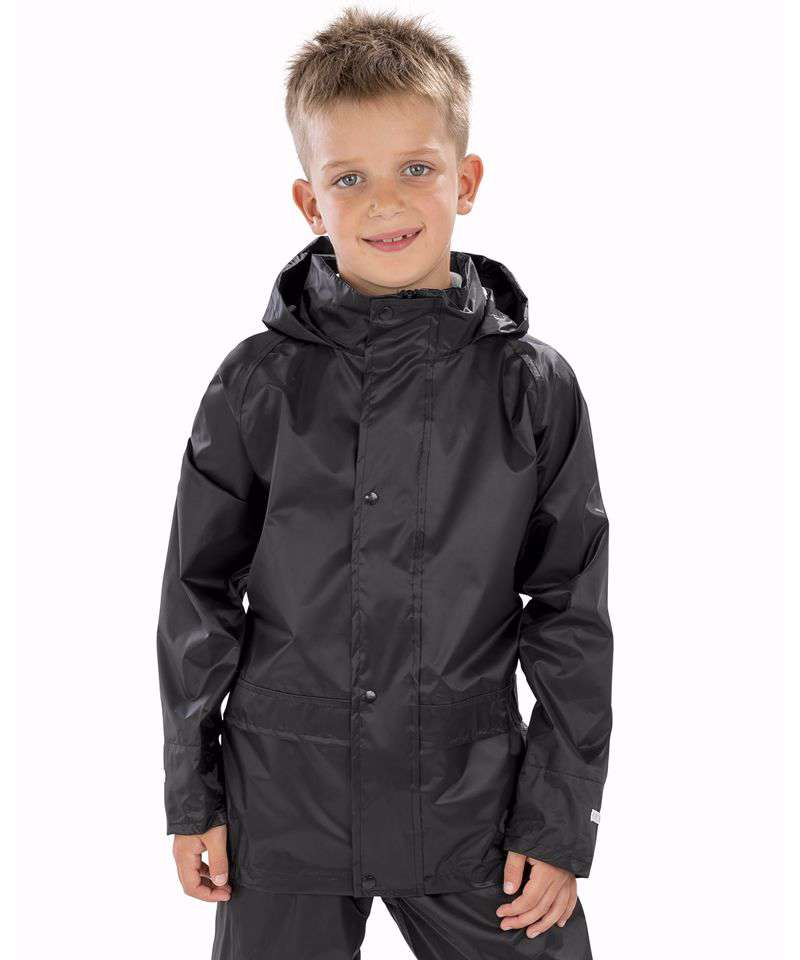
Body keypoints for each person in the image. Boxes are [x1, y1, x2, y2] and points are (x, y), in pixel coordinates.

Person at [155, 6, 614, 958]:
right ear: (309, 202)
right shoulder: (258, 384)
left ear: (466, 180)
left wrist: (557, 820)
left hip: (472, 806)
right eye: (348, 178)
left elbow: (571, 611)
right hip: (284, 807)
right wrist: (193, 795)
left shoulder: (531, 387)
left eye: (416, 168)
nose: (384, 203)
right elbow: (198, 595)